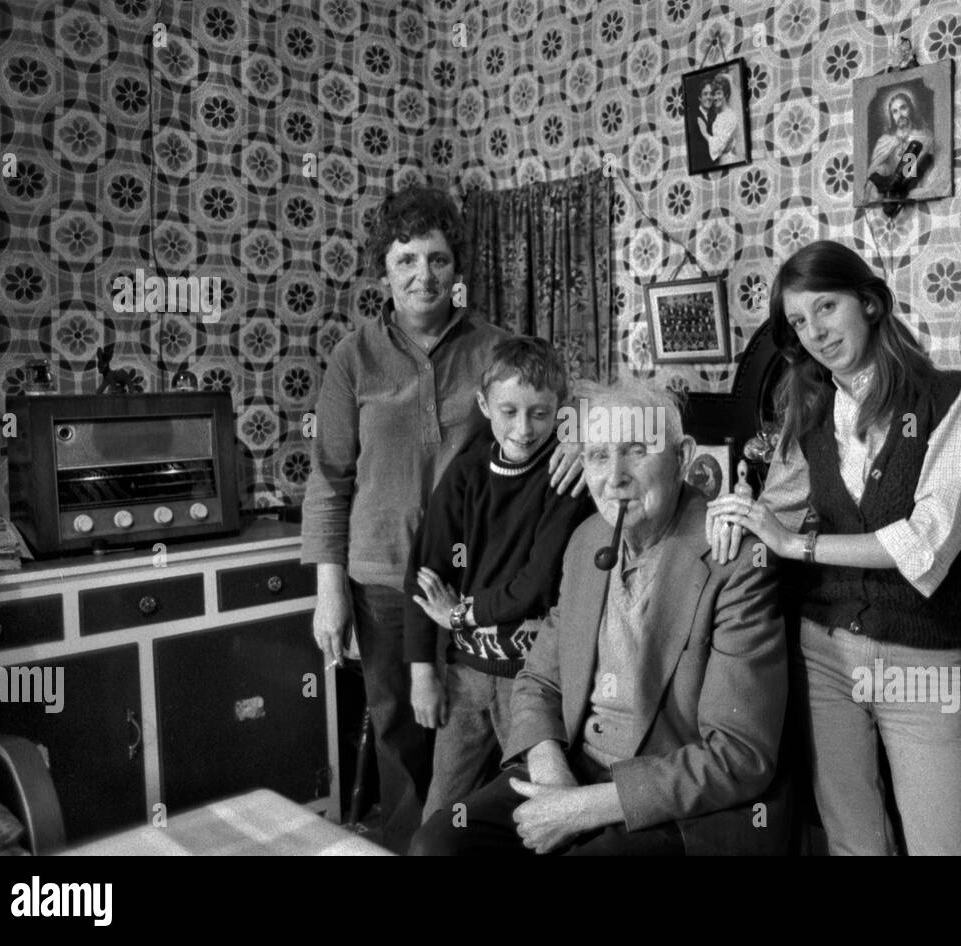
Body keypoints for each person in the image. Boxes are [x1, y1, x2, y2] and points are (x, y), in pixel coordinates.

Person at [301, 186, 581, 853]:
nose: (423, 275)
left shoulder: (495, 348)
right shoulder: (353, 358)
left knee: (476, 730)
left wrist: (577, 435)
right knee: (401, 726)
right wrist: (329, 589)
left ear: (457, 271)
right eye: (406, 260)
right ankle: (411, 843)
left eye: (437, 259)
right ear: (384, 273)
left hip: (481, 585)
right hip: (385, 581)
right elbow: (330, 476)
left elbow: (555, 399)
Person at [409, 379, 790, 856]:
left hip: (667, 798)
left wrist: (581, 810)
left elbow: (739, 754)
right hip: (572, 767)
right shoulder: (587, 539)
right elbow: (538, 682)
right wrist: (552, 777)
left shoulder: (734, 559)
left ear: (683, 455)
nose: (616, 477)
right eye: (598, 456)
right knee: (436, 845)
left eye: (636, 451)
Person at [707, 240, 961, 856]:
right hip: (825, 652)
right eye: (799, 321)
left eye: (826, 307)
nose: (814, 331)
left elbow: (926, 544)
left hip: (922, 658)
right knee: (852, 844)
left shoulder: (951, 399)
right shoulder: (809, 409)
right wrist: (723, 512)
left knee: (946, 846)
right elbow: (773, 512)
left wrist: (797, 545)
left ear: (869, 302)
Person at [403, 336, 593, 821]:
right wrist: (422, 670)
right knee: (441, 809)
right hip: (465, 673)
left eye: (540, 413)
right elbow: (426, 573)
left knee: (535, 805)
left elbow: (535, 583)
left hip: (532, 679)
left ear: (561, 412)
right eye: (509, 411)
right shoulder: (466, 474)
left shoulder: (564, 474)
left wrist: (461, 614)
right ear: (484, 405)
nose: (524, 428)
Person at [865, 89, 934, 199]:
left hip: (915, 189)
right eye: (895, 111)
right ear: (891, 116)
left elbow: (929, 168)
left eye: (903, 108)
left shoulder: (924, 136)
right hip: (889, 193)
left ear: (910, 108)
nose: (900, 114)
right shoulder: (885, 141)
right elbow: (872, 171)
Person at [696, 74, 742, 164]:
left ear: (726, 94)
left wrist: (705, 134)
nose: (716, 98)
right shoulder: (717, 114)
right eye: (714, 94)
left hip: (728, 160)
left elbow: (720, 147)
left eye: (719, 93)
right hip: (719, 162)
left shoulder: (730, 116)